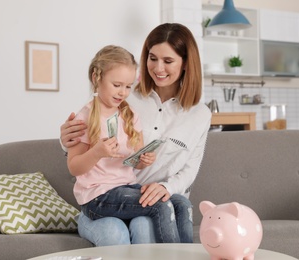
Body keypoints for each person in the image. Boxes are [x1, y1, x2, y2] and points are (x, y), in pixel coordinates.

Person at [60, 23, 212, 245]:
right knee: (144, 220)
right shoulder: (123, 99)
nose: (158, 68)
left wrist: (163, 186)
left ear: (186, 63)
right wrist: (66, 140)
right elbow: (85, 139)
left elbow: (189, 171)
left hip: (144, 193)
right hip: (115, 194)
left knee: (181, 205)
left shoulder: (200, 114)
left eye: (168, 61)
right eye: (152, 58)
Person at [68, 45, 182, 243]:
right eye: (117, 85)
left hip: (125, 189)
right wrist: (96, 152)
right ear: (96, 78)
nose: (123, 92)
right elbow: (74, 167)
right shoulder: (83, 118)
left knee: (180, 203)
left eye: (128, 86)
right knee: (161, 205)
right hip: (98, 196)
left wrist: (144, 160)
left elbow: (134, 162)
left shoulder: (129, 115)